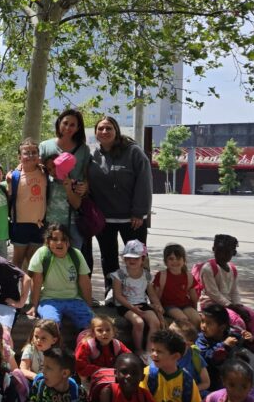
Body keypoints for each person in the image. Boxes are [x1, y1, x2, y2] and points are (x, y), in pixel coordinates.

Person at [87, 115, 153, 297]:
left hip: (132, 219)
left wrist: (139, 212)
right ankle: (112, 292)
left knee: (138, 257)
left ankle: (143, 292)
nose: (104, 131)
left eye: (108, 128)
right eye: (100, 128)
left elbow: (144, 182)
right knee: (108, 258)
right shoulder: (92, 156)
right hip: (104, 219)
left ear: (116, 131)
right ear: (95, 133)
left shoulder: (133, 152)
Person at [196, 234, 254, 354]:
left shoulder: (232, 269)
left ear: (233, 253)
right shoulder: (208, 269)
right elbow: (214, 294)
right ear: (213, 249)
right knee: (237, 322)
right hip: (212, 304)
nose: (222, 255)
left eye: (227, 252)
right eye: (219, 252)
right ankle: (237, 348)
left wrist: (238, 305)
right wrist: (233, 307)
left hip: (229, 304)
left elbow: (234, 291)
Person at [39, 109, 91, 251]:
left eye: (72, 125)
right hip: (50, 212)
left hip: (74, 212)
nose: (68, 127)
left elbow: (87, 175)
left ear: (78, 128)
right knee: (49, 255)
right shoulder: (45, 146)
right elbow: (34, 169)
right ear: (59, 123)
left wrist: (85, 186)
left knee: (74, 255)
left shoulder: (84, 149)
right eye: (65, 123)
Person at [26, 224, 93, 330]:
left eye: (63, 239)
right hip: (49, 300)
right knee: (51, 325)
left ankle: (85, 340)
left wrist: (89, 307)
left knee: (91, 325)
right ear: (48, 241)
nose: (59, 242)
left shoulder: (76, 254)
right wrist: (34, 305)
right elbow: (36, 281)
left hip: (74, 299)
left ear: (68, 242)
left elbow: (85, 282)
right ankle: (55, 341)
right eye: (55, 239)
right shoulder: (42, 254)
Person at [143, 328, 201, 402]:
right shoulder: (147, 374)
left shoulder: (186, 380)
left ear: (175, 356)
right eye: (152, 350)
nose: (154, 354)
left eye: (159, 351)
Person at [110, 240, 164, 357]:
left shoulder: (146, 275)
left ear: (142, 259)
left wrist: (158, 307)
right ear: (124, 258)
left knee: (155, 322)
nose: (132, 260)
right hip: (125, 305)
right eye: (128, 257)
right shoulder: (119, 274)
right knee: (139, 322)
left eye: (136, 258)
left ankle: (149, 352)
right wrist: (132, 308)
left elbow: (152, 295)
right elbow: (118, 295)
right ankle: (138, 350)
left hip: (141, 303)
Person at [8, 138, 47, 269]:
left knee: (34, 262)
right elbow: (9, 197)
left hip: (39, 224)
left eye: (34, 152)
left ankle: (31, 283)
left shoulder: (44, 173)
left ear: (39, 155)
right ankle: (15, 283)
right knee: (17, 260)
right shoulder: (14, 176)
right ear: (19, 157)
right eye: (26, 153)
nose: (30, 156)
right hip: (20, 224)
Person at [74, 314, 130, 383]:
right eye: (100, 330)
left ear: (113, 332)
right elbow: (80, 365)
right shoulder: (86, 345)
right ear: (93, 333)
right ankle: (84, 388)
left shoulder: (117, 344)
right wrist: (103, 371)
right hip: (91, 376)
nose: (104, 333)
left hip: (111, 374)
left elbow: (129, 357)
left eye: (108, 330)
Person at [153, 243, 199, 327]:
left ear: (184, 260)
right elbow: (156, 296)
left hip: (185, 305)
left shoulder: (188, 276)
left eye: (178, 258)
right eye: (171, 259)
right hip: (168, 305)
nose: (175, 261)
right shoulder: (162, 275)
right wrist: (158, 311)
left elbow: (194, 297)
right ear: (165, 261)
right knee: (183, 319)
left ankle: (195, 335)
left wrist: (195, 310)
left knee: (197, 320)